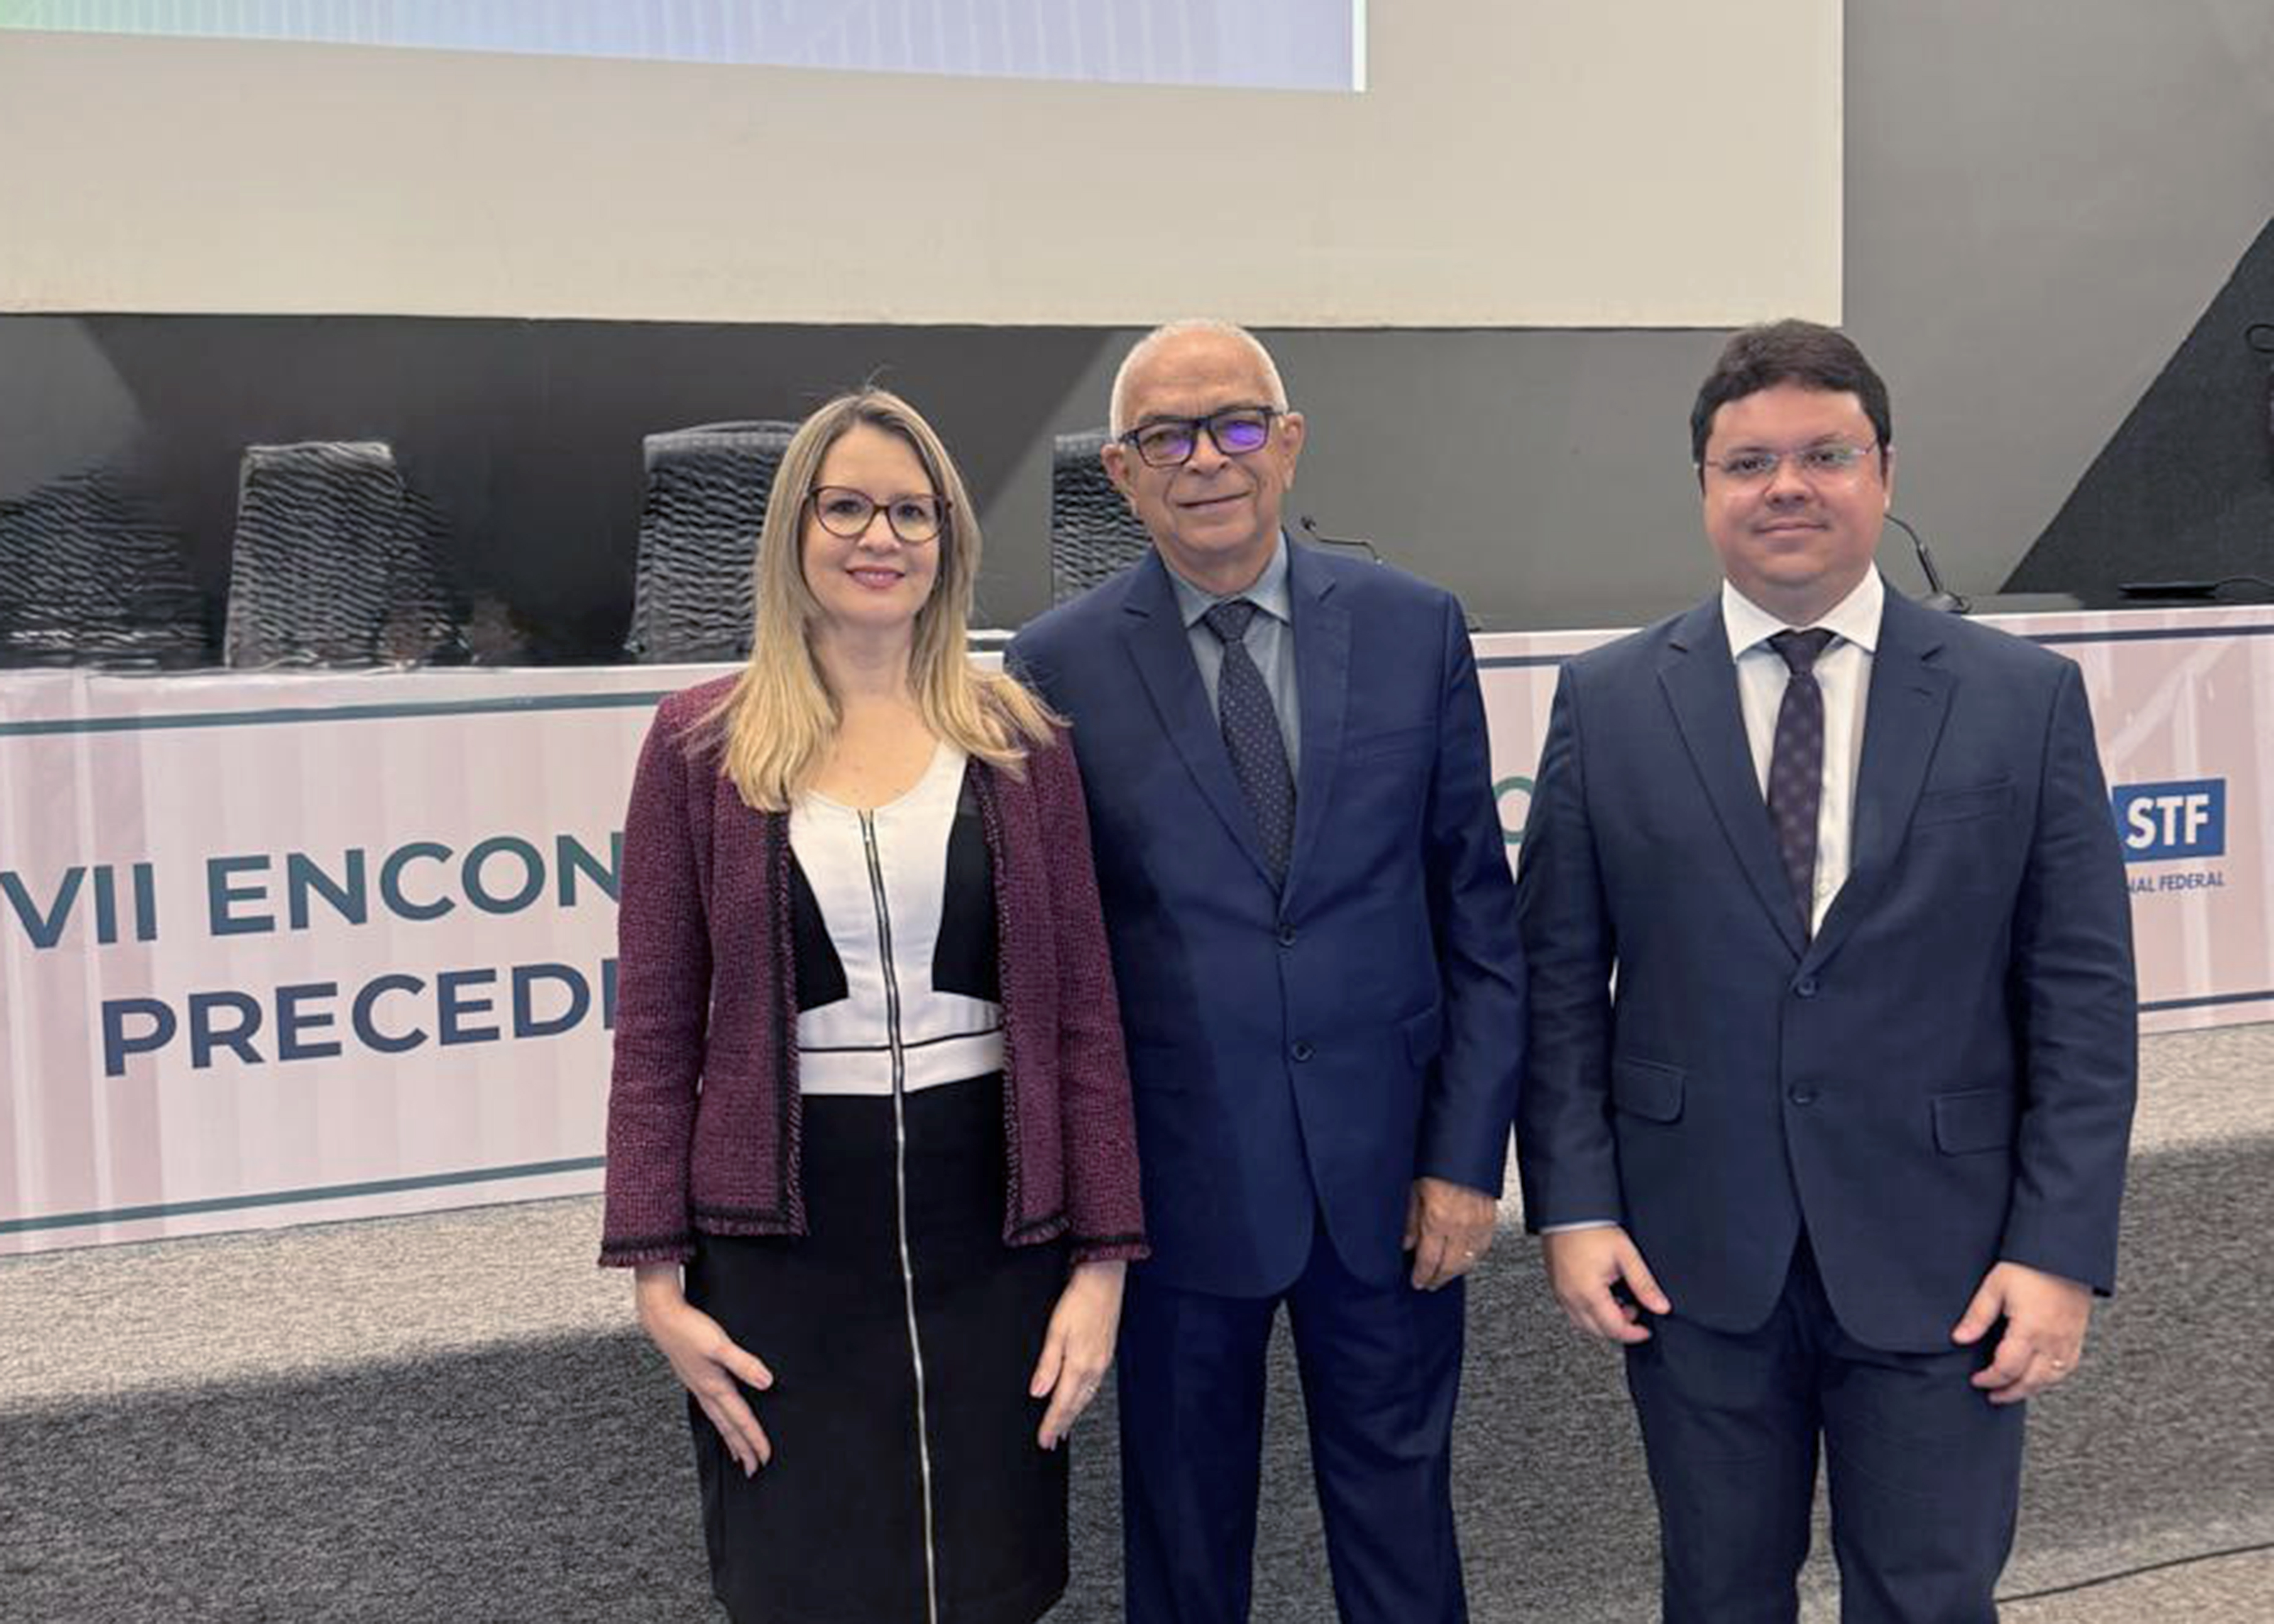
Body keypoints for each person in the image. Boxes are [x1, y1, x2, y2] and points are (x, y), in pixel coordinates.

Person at [1515, 319, 2137, 1623]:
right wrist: (1572, 1207)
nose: (1785, 487)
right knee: (1717, 1591)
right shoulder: (1609, 701)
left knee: (1927, 1594)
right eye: (1748, 463)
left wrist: (2057, 1249)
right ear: (1703, 486)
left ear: (1884, 471)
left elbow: (2080, 1001)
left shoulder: (2020, 698)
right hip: (1692, 1254)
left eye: (1824, 454)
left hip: (1947, 1254)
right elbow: (1558, 985)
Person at [598, 388, 1146, 1624]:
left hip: (994, 1222)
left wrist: (1102, 1263)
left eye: (911, 510)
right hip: (783, 1235)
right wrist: (654, 1278)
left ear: (947, 537)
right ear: (793, 529)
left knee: (993, 1572)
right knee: (807, 1577)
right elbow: (659, 1036)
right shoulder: (700, 744)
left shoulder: (1018, 740)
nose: (878, 536)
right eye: (844, 506)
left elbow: (1083, 1019)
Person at [1009, 320, 1524, 1624]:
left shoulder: (1415, 628)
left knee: (1404, 1534)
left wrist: (1468, 1158)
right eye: (1164, 437)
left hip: (1391, 1183)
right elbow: (1057, 968)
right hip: (1177, 1196)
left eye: (1235, 425)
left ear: (1287, 443)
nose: (1206, 460)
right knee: (1184, 1547)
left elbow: (1475, 914)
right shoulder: (1053, 666)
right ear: (1120, 472)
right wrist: (1091, 1211)